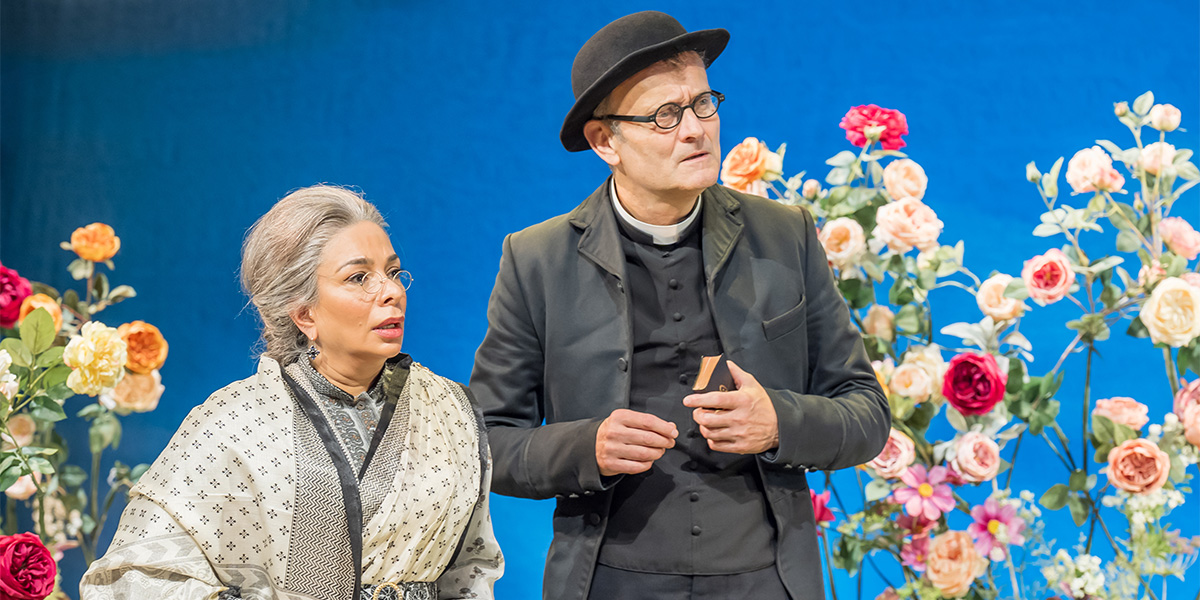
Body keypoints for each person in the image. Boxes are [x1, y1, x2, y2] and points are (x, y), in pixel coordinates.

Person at [470, 11, 889, 600]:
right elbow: (486, 441)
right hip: (609, 582)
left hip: (767, 578)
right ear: (604, 141)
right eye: (665, 115)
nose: (695, 130)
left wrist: (778, 423)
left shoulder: (784, 235)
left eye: (703, 105)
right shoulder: (537, 260)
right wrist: (584, 446)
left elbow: (867, 414)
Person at [81, 185, 503, 600]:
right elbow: (131, 577)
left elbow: (471, 569)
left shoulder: (450, 410)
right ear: (305, 314)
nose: (392, 291)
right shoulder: (234, 421)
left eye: (393, 272)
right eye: (359, 277)